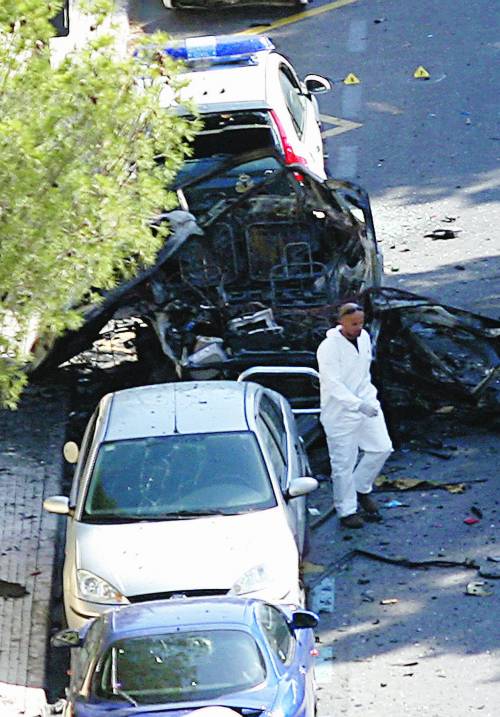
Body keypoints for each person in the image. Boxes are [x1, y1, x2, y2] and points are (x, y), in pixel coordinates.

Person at [316, 302, 393, 529]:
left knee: (382, 447)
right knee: (343, 464)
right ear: (341, 322)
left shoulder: (365, 337)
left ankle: (361, 488)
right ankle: (346, 510)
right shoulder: (329, 347)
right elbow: (332, 384)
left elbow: (364, 374)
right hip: (339, 413)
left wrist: (368, 401)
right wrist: (356, 404)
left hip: (367, 404)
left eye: (361, 322)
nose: (358, 327)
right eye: (353, 324)